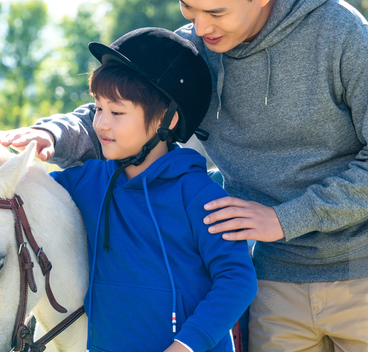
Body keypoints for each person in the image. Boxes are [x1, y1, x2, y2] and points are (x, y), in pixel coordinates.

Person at [0, 0, 368, 352]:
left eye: (215, 11)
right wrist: (49, 135)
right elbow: (126, 109)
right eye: (187, 7)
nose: (199, 28)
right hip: (272, 270)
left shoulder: (340, 33)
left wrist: (285, 218)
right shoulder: (200, 48)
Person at [48, 27, 257, 352]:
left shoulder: (199, 196)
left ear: (167, 119)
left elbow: (237, 279)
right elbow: (26, 204)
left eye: (117, 112)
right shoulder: (84, 181)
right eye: (98, 108)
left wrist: (187, 345)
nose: (101, 123)